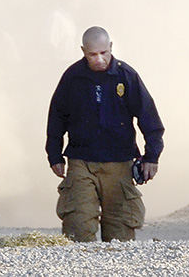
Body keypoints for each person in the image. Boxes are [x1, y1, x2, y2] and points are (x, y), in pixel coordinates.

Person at [45, 26, 164, 242]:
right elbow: (56, 117)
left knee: (120, 237)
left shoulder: (126, 76)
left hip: (120, 164)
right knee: (77, 228)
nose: (99, 59)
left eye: (103, 53)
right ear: (83, 51)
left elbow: (149, 118)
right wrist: (54, 155)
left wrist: (151, 157)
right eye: (92, 54)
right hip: (81, 163)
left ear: (111, 47)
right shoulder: (72, 78)